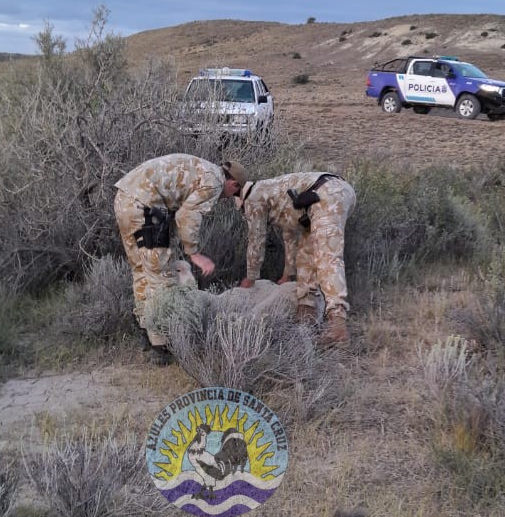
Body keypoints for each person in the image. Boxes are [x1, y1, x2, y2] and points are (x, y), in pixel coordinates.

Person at [114, 154, 246, 362]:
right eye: (233, 193)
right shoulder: (214, 182)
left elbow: (177, 211)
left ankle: (145, 329)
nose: (228, 198)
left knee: (141, 269)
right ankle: (162, 346)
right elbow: (188, 216)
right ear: (233, 183)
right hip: (146, 208)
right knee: (163, 274)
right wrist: (194, 253)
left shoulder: (204, 168)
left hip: (125, 199)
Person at [237, 170, 356, 346]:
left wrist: (250, 277)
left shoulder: (252, 198)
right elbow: (290, 239)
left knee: (327, 258)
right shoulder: (271, 193)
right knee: (305, 256)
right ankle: (306, 316)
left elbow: (256, 239)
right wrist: (287, 274)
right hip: (328, 195)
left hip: (327, 194)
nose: (245, 214)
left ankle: (337, 323)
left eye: (242, 210)